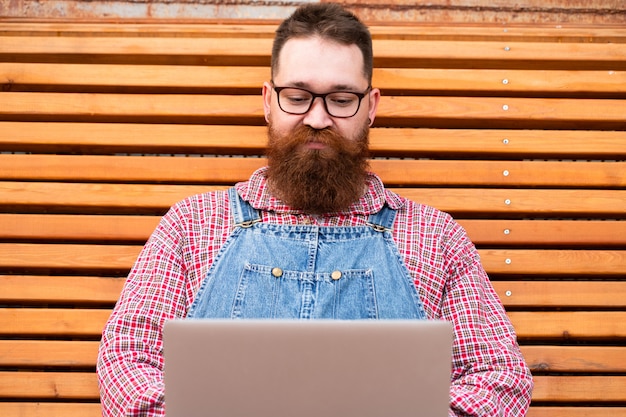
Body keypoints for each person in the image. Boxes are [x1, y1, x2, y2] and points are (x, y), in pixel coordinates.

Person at [97, 3, 533, 416]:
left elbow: (500, 379)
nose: (318, 118)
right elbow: (126, 363)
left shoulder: (436, 238)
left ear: (371, 107)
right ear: (268, 101)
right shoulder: (191, 227)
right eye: (298, 95)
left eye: (341, 99)